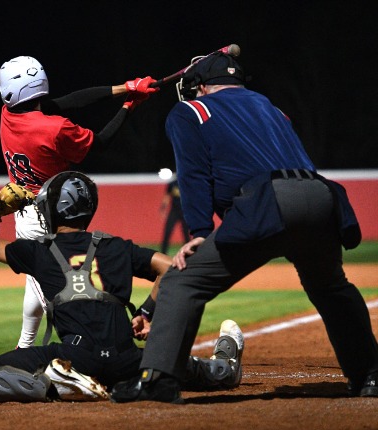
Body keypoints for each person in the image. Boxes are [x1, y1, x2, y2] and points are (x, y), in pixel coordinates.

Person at [110, 52, 378, 403]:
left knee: (181, 281)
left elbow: (193, 175)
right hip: (321, 196)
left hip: (268, 201)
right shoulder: (271, 109)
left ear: (201, 87)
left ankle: (158, 380)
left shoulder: (192, 110)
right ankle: (370, 374)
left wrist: (199, 232)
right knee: (331, 287)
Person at [0, 171, 245, 403]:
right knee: (208, 373)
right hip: (128, 362)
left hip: (75, 357)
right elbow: (173, 268)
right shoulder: (117, 247)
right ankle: (223, 365)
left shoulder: (39, 251)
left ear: (53, 210)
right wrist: (146, 312)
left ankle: (57, 383)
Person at [0, 56, 158, 349]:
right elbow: (101, 142)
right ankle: (87, 347)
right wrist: (129, 105)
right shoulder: (55, 128)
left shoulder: (7, 114)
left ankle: (25, 347)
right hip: (51, 216)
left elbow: (70, 101)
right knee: (57, 291)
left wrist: (126, 87)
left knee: (38, 282)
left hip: (26, 212)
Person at [159, 176, 190, 254]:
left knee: (186, 233)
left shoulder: (187, 183)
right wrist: (163, 209)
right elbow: (167, 196)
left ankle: (188, 252)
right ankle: (163, 253)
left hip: (185, 212)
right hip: (174, 211)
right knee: (167, 231)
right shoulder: (172, 184)